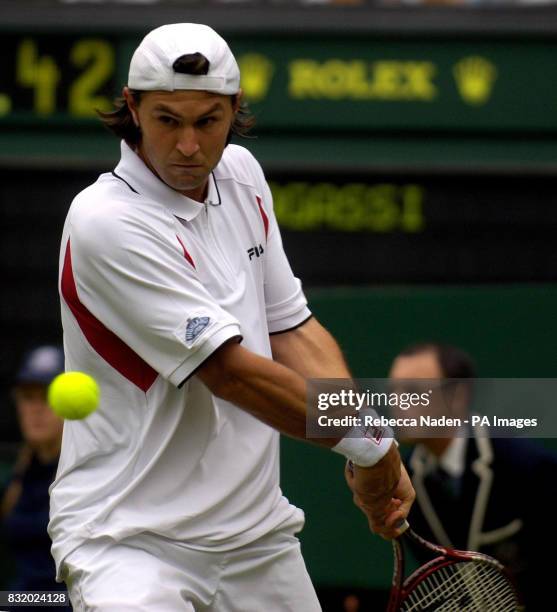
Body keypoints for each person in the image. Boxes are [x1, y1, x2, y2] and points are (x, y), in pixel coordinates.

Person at [49, 23, 414, 611]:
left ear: (234, 110)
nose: (189, 146)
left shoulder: (242, 175)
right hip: (131, 545)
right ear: (134, 108)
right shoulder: (104, 221)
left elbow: (291, 328)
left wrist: (367, 434)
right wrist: (370, 446)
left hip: (256, 541)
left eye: (207, 122)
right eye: (168, 120)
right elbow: (230, 374)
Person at [389, 342, 557, 610]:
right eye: (393, 392)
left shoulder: (528, 467)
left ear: (457, 396)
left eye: (413, 391)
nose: (398, 404)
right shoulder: (404, 482)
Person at [1, 346, 65, 596]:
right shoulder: (15, 479)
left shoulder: (89, 476)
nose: (37, 408)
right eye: (28, 397)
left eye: (48, 395)